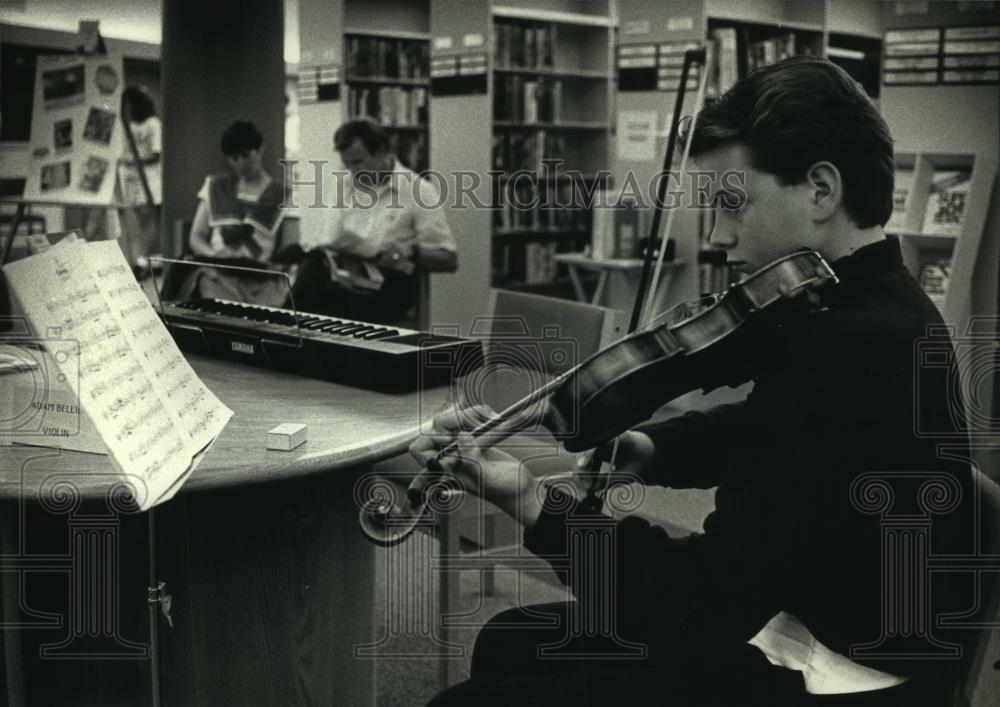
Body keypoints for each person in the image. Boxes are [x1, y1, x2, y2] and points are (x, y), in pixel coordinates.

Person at [411, 57, 977, 706]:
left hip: (825, 668)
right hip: (807, 616)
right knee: (512, 638)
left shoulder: (852, 343)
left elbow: (695, 600)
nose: (719, 236)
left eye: (732, 203)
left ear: (821, 189)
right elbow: (777, 429)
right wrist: (655, 448)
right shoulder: (872, 302)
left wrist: (534, 505)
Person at [290, 119, 456, 324]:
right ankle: (287, 334)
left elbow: (449, 260)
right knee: (310, 267)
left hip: (388, 282)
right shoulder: (343, 184)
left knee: (313, 297)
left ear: (382, 152)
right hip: (346, 276)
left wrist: (411, 253)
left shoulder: (419, 191)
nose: (353, 171)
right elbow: (329, 236)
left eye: (358, 162)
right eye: (347, 163)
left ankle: (285, 335)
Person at [182, 120, 286, 305]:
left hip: (261, 282)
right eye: (234, 158)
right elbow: (196, 237)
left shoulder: (281, 195)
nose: (241, 163)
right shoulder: (215, 187)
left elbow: (286, 252)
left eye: (246, 155)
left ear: (260, 149)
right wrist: (212, 256)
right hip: (219, 276)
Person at [117, 85, 162, 276]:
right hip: (130, 179)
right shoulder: (128, 125)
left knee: (148, 221)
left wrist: (135, 161)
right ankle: (137, 260)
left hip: (149, 178)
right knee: (135, 224)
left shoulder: (152, 123)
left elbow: (156, 154)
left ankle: (144, 260)